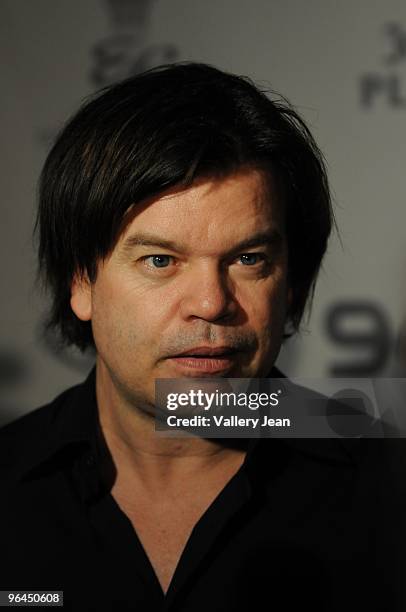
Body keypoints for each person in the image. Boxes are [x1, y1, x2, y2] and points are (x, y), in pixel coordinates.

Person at [0, 62, 402, 611]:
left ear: (291, 284)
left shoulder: (388, 490)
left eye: (248, 258)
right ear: (81, 281)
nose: (212, 302)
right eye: (161, 260)